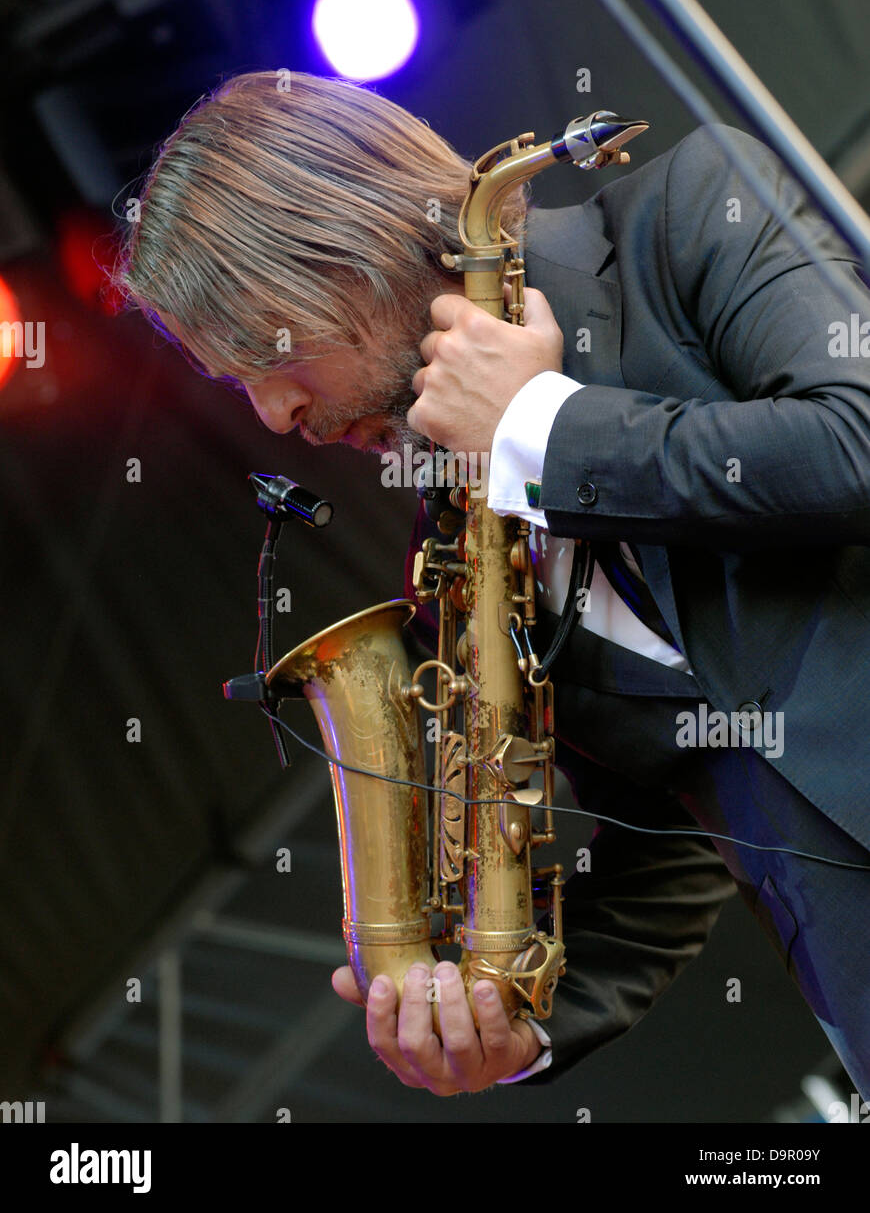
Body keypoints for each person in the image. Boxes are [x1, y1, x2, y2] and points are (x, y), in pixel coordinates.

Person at [115, 69, 870, 1105]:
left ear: (341, 252)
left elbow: (856, 441)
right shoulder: (460, 540)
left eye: (258, 356)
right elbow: (684, 835)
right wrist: (513, 1025)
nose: (274, 415)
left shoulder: (695, 208)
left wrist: (542, 429)